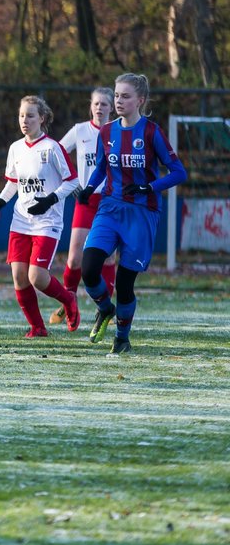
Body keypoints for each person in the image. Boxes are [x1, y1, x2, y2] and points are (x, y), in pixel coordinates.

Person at [77, 73, 187, 354]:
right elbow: (102, 168)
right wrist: (90, 188)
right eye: (116, 95)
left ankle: (122, 339)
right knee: (88, 268)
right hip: (110, 208)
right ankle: (105, 308)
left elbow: (178, 173)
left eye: (125, 96)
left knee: (125, 283)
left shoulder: (152, 132)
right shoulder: (106, 132)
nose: (118, 101)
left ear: (141, 100)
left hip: (141, 213)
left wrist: (148, 186)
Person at [0, 95, 81, 338]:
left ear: (42, 118)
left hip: (47, 221)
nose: (24, 120)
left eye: (30, 115)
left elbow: (73, 181)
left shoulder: (52, 148)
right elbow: (13, 183)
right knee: (19, 278)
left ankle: (69, 300)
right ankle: (38, 328)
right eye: (21, 115)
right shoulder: (15, 148)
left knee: (36, 276)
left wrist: (50, 200)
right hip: (21, 220)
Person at [49, 87, 117, 326]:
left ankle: (104, 310)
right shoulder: (80, 131)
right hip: (86, 200)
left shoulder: (117, 131)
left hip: (110, 201)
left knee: (107, 258)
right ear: (91, 106)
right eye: (96, 104)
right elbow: (55, 151)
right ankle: (69, 301)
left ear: (112, 108)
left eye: (105, 104)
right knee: (74, 258)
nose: (100, 108)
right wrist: (74, 181)